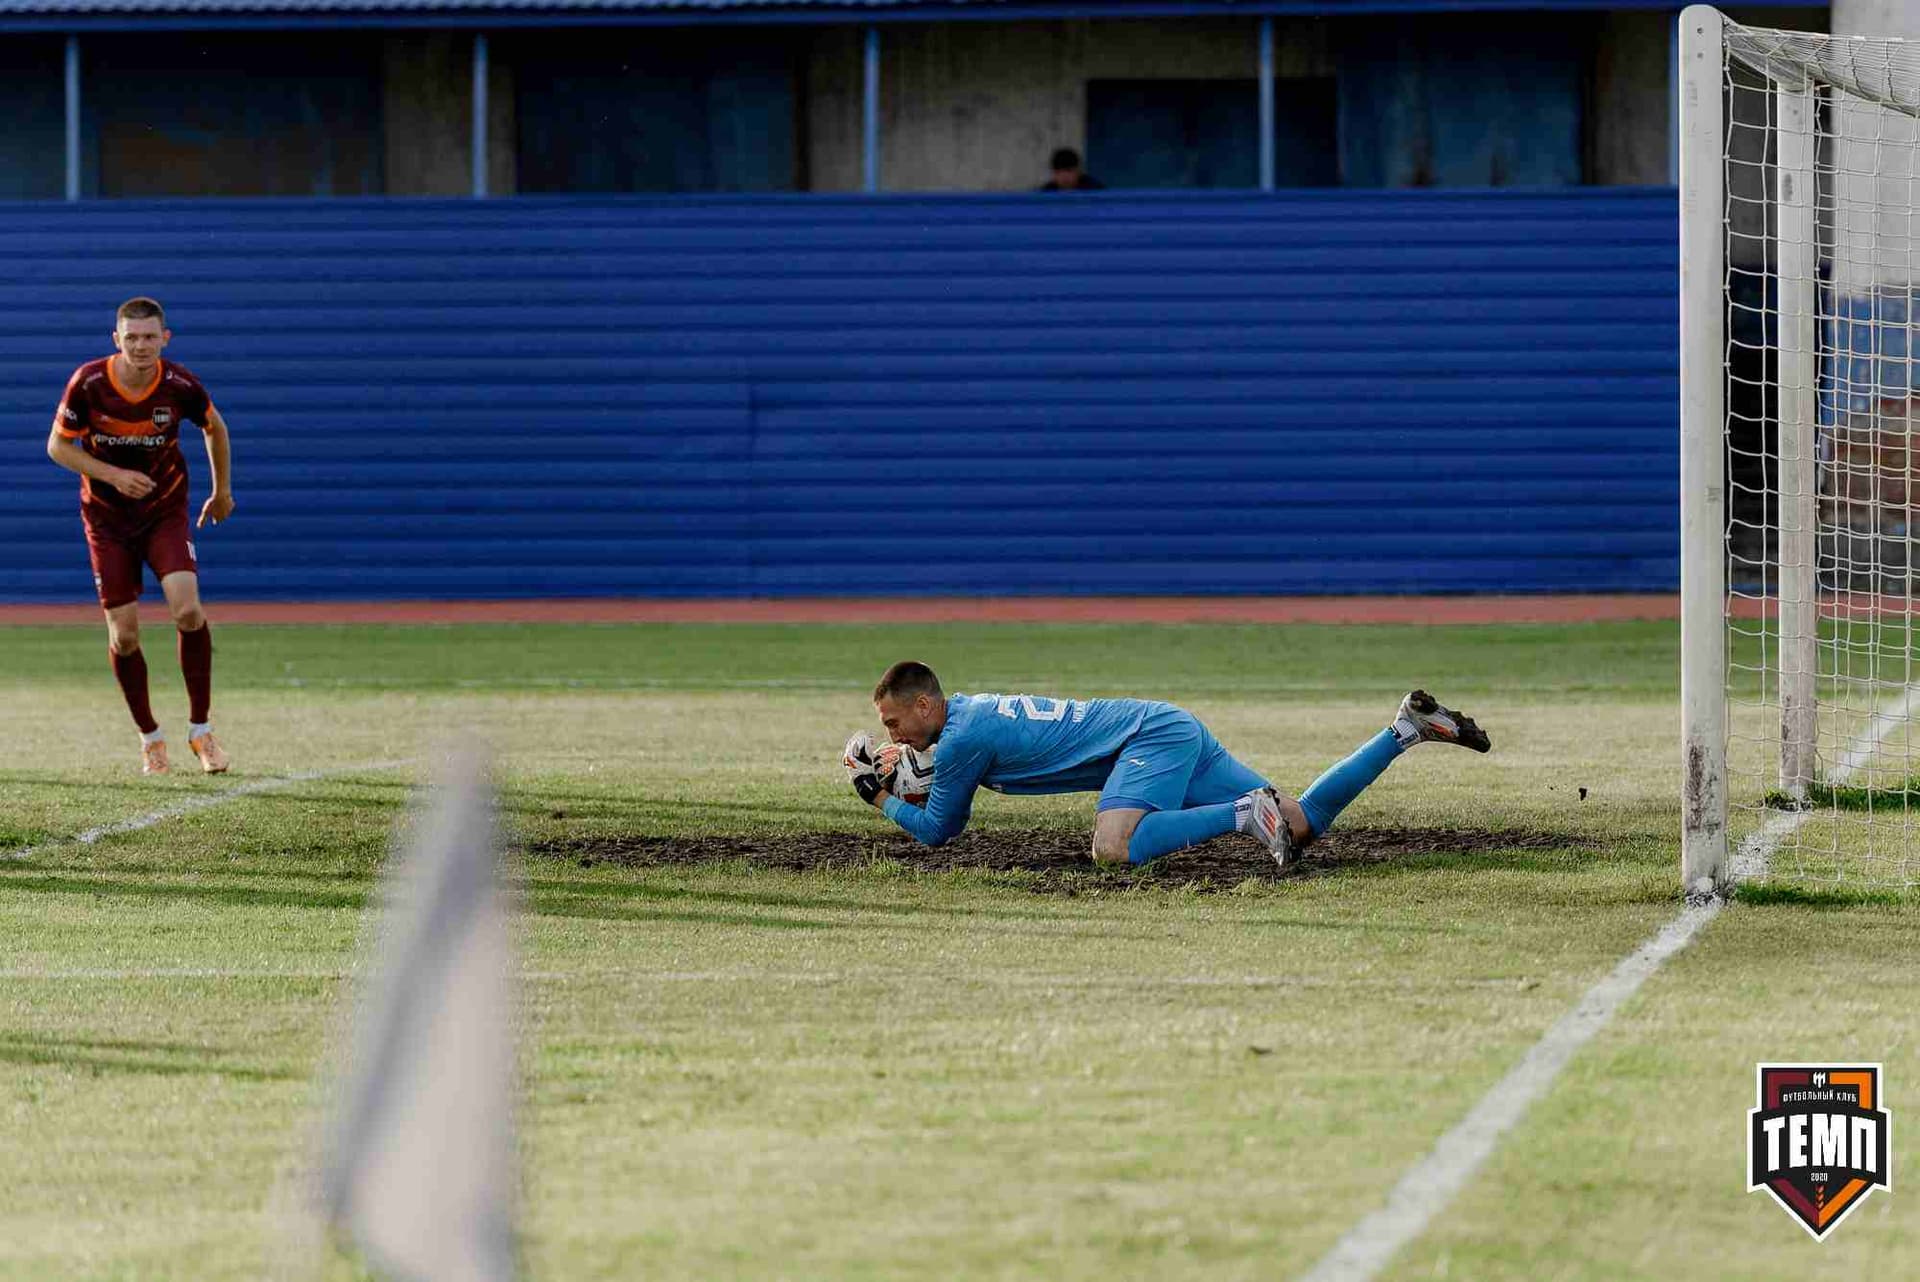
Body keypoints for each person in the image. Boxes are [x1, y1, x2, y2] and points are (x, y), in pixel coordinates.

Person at [843, 662, 1489, 868]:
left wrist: (880, 799)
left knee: (1113, 846)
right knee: (1299, 823)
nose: (889, 735)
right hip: (1162, 724)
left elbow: (939, 831)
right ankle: (1405, 730)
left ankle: (1242, 815)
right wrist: (912, 758)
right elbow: (945, 765)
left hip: (1147, 739)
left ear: (925, 704)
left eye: (894, 723)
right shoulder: (966, 715)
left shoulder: (958, 744)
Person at [46, 297, 235, 775]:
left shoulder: (180, 385)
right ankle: (151, 738)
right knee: (124, 636)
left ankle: (201, 731)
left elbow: (214, 427)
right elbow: (58, 447)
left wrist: (222, 491)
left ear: (164, 338)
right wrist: (112, 475)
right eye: (131, 337)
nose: (141, 345)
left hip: (164, 510)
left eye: (150, 336)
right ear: (117, 340)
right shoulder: (88, 383)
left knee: (188, 607)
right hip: (108, 520)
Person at [1036, 147, 1105, 192]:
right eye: (1059, 172)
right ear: (1054, 174)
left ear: (1078, 171)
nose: (1064, 177)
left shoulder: (1093, 189)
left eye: (1069, 171)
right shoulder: (1047, 193)